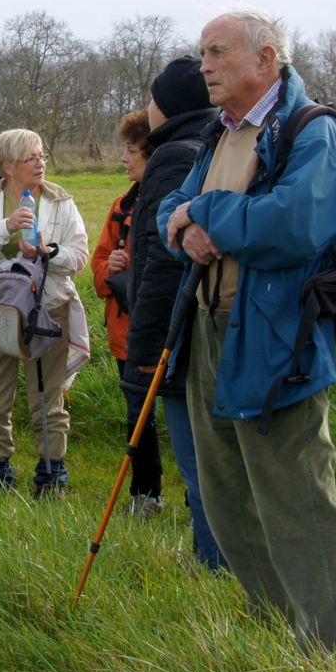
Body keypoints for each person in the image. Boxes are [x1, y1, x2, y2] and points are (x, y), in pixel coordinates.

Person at [160, 10, 336, 668]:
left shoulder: (315, 134)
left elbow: (294, 223)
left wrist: (209, 214)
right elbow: (172, 208)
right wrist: (184, 222)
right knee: (225, 498)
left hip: (278, 341)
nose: (206, 66)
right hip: (209, 331)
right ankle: (284, 639)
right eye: (202, 53)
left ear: (267, 58)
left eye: (218, 52)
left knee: (298, 500)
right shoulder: (220, 135)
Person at [117, 57, 225, 571]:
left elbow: (162, 262)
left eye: (154, 98)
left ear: (171, 105)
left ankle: (213, 562)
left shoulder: (173, 157)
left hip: (182, 333)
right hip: (207, 322)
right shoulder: (212, 144)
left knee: (198, 458)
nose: (149, 108)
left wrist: (147, 348)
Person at [0, 129, 89, 497]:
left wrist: (51, 252)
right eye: (33, 158)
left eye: (43, 155)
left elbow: (79, 256)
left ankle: (50, 473)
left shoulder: (61, 201)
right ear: (8, 166)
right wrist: (5, 228)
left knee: (48, 395)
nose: (41, 163)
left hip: (49, 309)